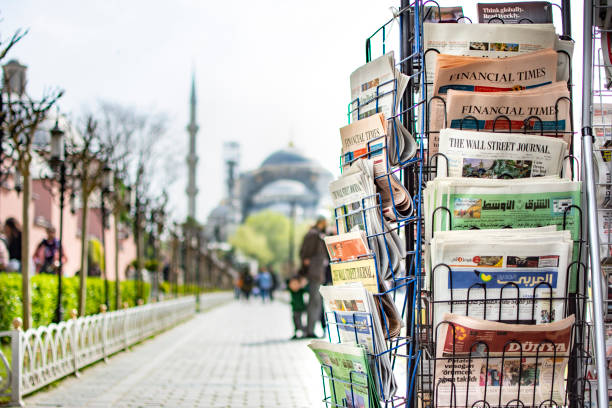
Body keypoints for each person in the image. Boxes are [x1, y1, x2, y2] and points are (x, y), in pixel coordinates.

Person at [299, 216, 329, 338]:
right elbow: (304, 255)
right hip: (314, 273)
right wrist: (310, 264)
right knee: (314, 303)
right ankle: (309, 330)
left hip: (317, 273)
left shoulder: (317, 234)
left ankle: (311, 329)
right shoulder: (314, 235)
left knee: (317, 302)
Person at [287, 274, 307, 339]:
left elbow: (307, 289)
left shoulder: (301, 290)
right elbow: (287, 284)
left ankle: (304, 332)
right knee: (295, 320)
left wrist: (302, 284)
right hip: (294, 308)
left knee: (301, 321)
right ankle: (296, 332)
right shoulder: (291, 291)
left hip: (301, 308)